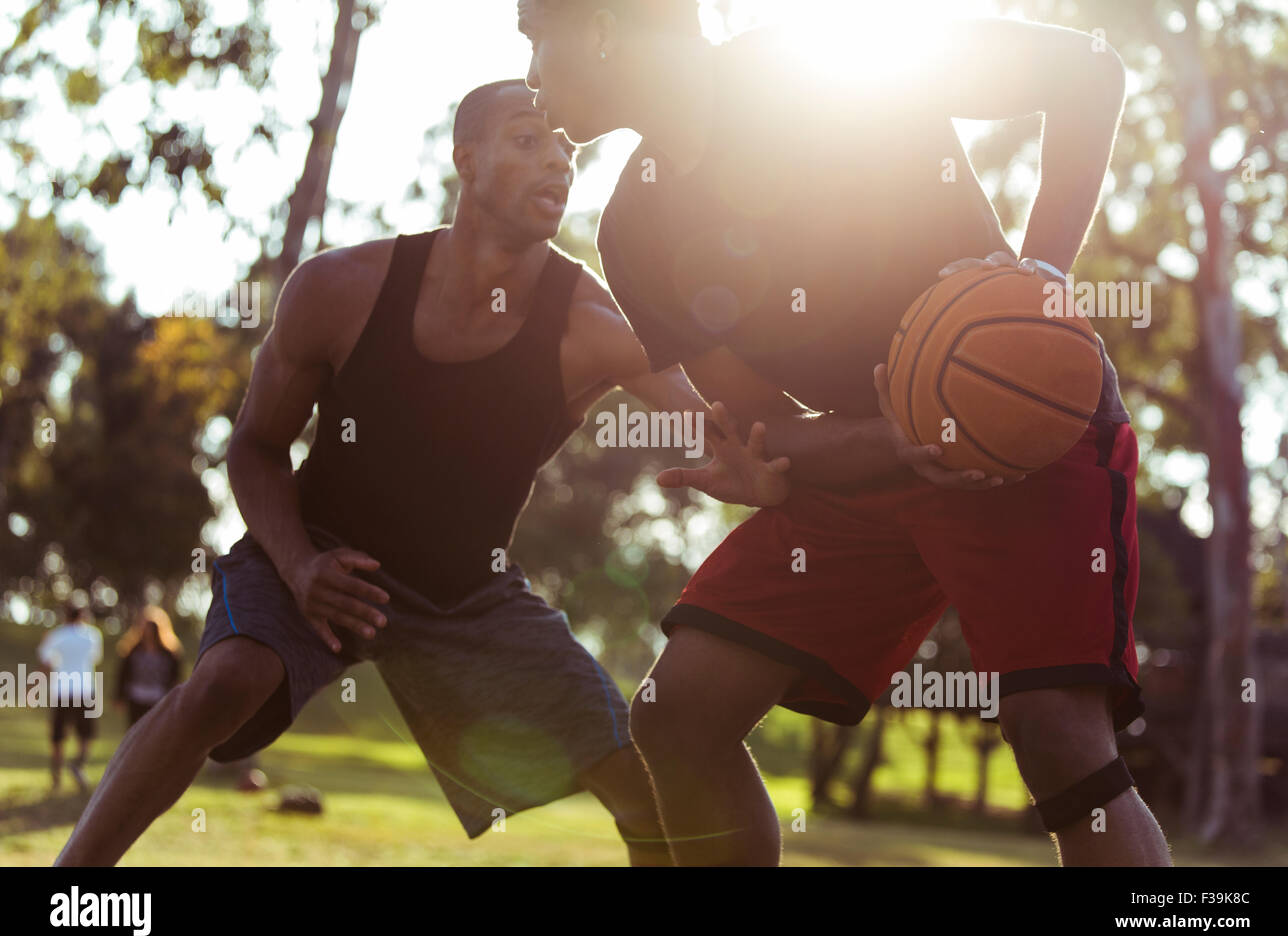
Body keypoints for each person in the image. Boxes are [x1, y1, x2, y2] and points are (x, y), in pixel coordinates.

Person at [54, 78, 788, 867]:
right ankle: (70, 891)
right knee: (227, 683)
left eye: (567, 149)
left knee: (643, 786)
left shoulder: (592, 323)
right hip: (321, 553)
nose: (558, 163)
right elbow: (255, 447)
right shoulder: (339, 289)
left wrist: (745, 464)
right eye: (528, 140)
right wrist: (299, 566)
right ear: (465, 160)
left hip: (468, 593)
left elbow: (710, 422)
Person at [517, 0, 1171, 865]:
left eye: (536, 41)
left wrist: (1038, 280)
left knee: (1057, 738)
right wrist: (892, 443)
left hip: (1024, 437)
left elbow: (1088, 70)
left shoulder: (821, 67)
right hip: (872, 464)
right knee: (676, 713)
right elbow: (764, 425)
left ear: (600, 28)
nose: (531, 76)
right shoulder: (634, 228)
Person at [38, 605, 103, 793]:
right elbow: (95, 658)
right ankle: (78, 764)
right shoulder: (92, 635)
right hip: (84, 688)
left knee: (58, 734)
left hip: (62, 689)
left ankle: (56, 773)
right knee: (85, 733)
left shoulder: (57, 635)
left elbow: (46, 660)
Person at [115, 606, 183, 726]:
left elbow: (175, 677)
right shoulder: (133, 651)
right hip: (136, 698)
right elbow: (123, 674)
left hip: (159, 698)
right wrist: (119, 696)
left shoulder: (169, 654)